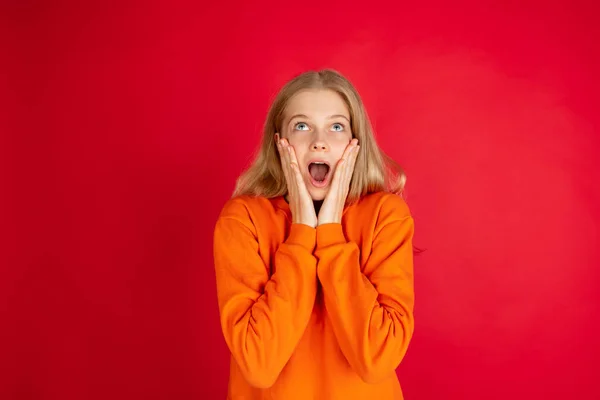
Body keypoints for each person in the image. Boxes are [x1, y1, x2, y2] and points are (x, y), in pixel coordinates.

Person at [213, 69, 415, 399]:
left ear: (355, 143)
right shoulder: (242, 220)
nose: (318, 140)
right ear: (280, 143)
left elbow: (376, 360)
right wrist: (303, 232)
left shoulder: (386, 217)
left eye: (336, 126)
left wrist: (332, 234)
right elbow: (259, 364)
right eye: (302, 126)